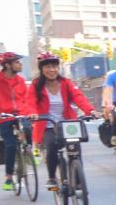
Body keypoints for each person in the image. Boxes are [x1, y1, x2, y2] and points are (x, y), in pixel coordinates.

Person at [22, 52, 99, 191]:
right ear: (41, 69)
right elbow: (30, 102)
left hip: (68, 124)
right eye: (47, 67)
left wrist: (90, 110)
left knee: (75, 148)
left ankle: (77, 178)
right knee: (51, 147)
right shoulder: (35, 85)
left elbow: (78, 97)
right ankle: (52, 178)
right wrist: (32, 113)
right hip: (47, 124)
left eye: (54, 66)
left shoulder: (66, 83)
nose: (52, 70)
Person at [0, 52, 27, 191]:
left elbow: (27, 97)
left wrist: (31, 112)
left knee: (29, 129)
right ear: (7, 65)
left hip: (20, 114)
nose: (20, 64)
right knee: (10, 145)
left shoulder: (20, 80)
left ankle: (31, 151)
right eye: (17, 62)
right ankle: (8, 177)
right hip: (3, 116)